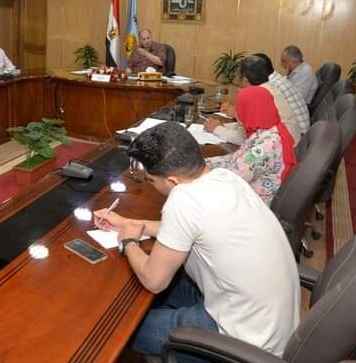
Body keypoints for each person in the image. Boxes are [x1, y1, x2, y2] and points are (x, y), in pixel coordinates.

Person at [93, 122, 299, 360]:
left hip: (243, 341)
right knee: (136, 300)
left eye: (151, 180)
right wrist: (129, 223)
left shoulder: (183, 199)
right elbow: (185, 228)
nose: (152, 186)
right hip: (266, 320)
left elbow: (154, 281)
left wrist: (128, 242)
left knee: (115, 329)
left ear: (172, 181)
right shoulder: (224, 177)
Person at [207, 86, 297, 206]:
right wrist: (204, 162)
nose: (237, 112)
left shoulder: (266, 143)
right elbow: (235, 159)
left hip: (253, 203)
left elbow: (235, 176)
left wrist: (203, 170)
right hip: (246, 188)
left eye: (240, 107)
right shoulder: (266, 130)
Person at [204, 56, 301, 146]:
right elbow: (249, 129)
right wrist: (223, 126)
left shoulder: (255, 96)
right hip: (289, 145)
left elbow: (245, 140)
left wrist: (217, 129)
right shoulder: (269, 88)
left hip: (280, 149)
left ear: (245, 79)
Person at [254, 52, 310, 135]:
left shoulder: (269, 86)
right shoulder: (277, 78)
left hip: (297, 134)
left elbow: (263, 118)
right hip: (301, 130)